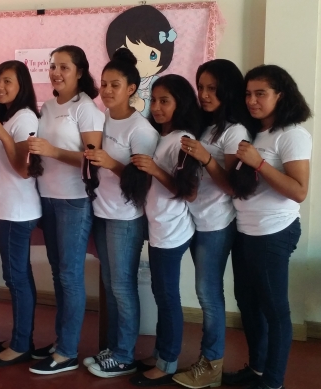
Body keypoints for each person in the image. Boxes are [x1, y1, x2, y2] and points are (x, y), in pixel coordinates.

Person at [223, 65, 311, 389]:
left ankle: (273, 381)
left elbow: (299, 190)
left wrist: (258, 163)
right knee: (247, 303)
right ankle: (257, 368)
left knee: (275, 310)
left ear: (280, 95)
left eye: (261, 93)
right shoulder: (256, 132)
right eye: (248, 93)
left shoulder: (293, 134)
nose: (252, 100)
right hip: (245, 230)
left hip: (273, 232)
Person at [172, 59, 251, 388]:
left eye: (212, 88)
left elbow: (233, 186)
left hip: (217, 223)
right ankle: (208, 360)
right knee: (205, 292)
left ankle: (212, 364)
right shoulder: (205, 126)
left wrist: (206, 157)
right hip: (195, 219)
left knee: (208, 294)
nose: (204, 94)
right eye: (201, 87)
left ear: (227, 90)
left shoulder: (235, 131)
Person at [28, 45, 104, 375]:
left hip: (74, 200)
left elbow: (94, 160)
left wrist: (53, 151)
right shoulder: (47, 105)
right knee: (59, 274)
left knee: (70, 276)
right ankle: (62, 342)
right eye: (52, 65)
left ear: (80, 72)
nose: (56, 71)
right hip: (47, 199)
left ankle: (68, 352)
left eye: (64, 66)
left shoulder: (85, 108)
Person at [84, 48, 159, 378]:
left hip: (126, 218)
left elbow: (142, 182)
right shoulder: (100, 120)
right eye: (103, 84)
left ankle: (125, 355)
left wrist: (109, 162)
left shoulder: (140, 129)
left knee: (123, 286)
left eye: (115, 85)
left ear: (131, 89)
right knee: (110, 283)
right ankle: (114, 348)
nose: (107, 90)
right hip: (101, 212)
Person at [129, 74, 202, 387]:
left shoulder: (183, 139)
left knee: (167, 297)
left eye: (165, 101)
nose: (156, 107)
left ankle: (168, 361)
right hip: (159, 228)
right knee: (162, 294)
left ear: (180, 103)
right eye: (154, 100)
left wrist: (153, 169)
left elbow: (189, 192)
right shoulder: (165, 136)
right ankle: (161, 352)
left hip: (171, 232)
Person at [0, 60, 42, 367]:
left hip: (18, 212)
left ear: (22, 86)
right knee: (18, 276)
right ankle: (23, 339)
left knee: (16, 278)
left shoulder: (24, 117)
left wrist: (3, 135)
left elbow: (23, 169)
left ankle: (21, 344)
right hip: (8, 209)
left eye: (7, 81)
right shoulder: (10, 117)